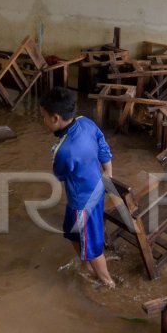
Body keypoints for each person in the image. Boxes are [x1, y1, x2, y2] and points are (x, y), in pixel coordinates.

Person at [40, 86, 116, 288]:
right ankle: (86, 265)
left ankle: (108, 283)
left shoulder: (63, 151)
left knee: (92, 247)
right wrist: (108, 171)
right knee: (71, 231)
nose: (44, 121)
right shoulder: (85, 123)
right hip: (96, 189)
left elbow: (60, 175)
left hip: (83, 202)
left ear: (56, 118)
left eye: (44, 117)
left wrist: (55, 156)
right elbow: (101, 142)